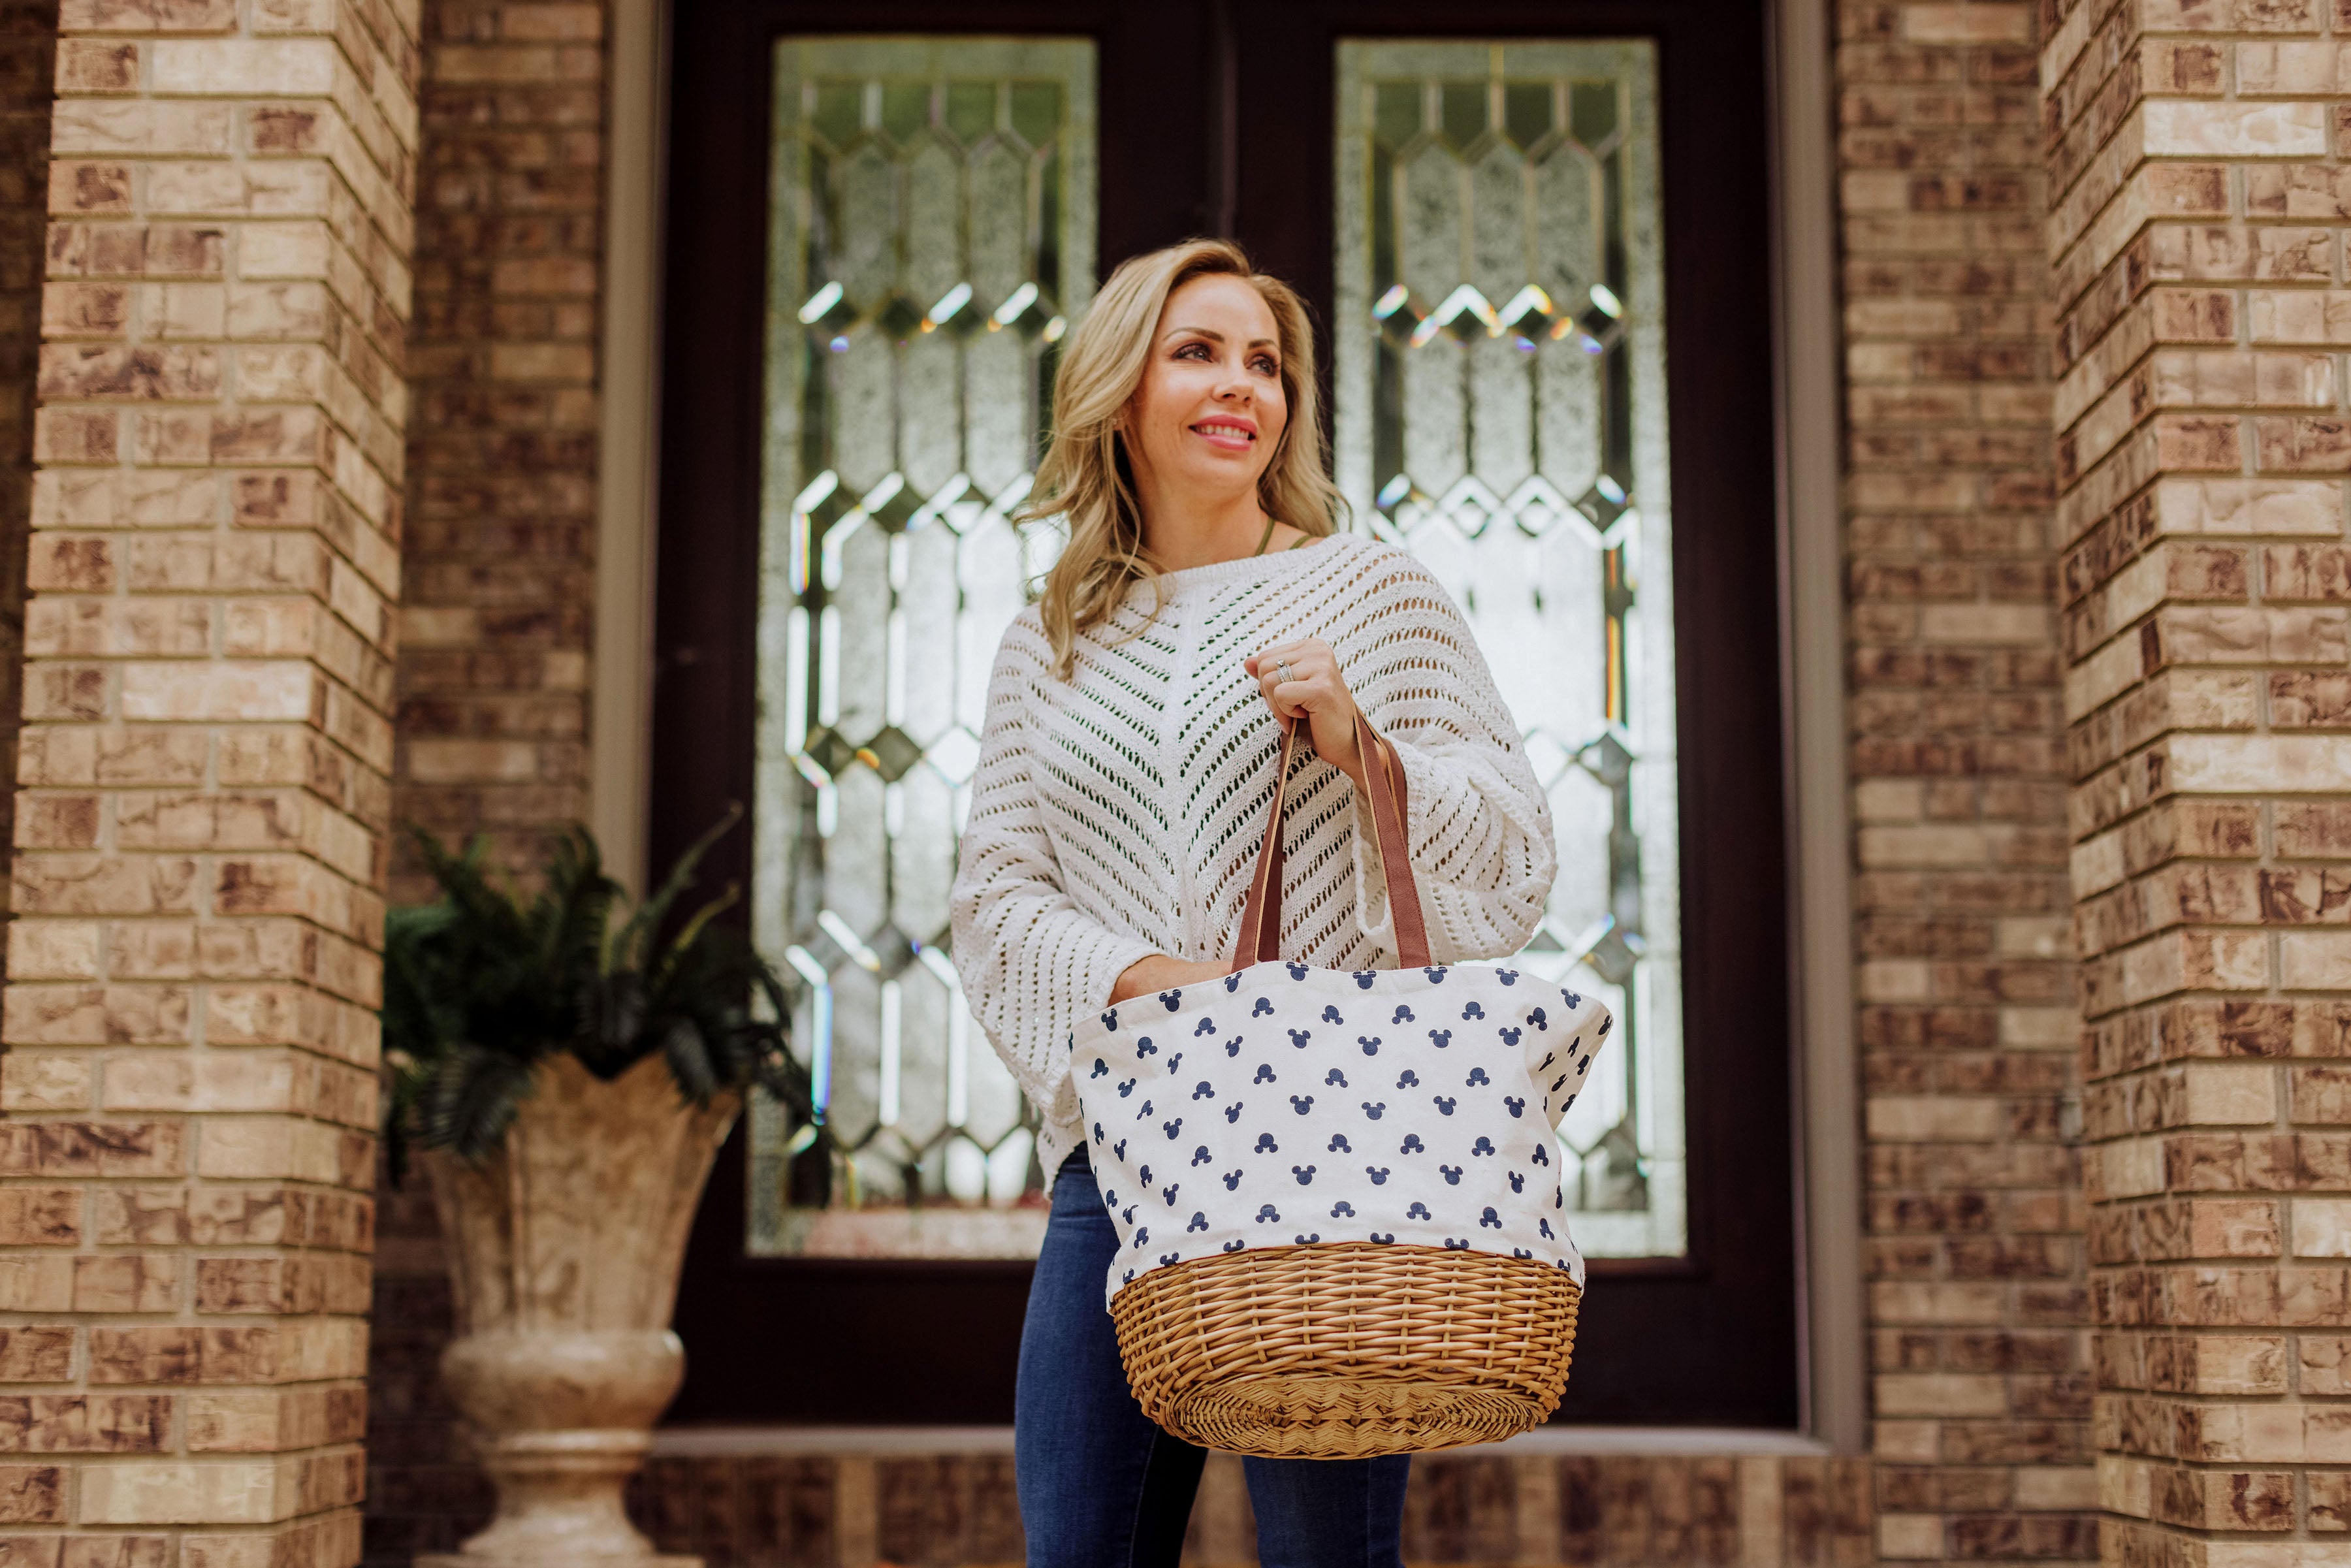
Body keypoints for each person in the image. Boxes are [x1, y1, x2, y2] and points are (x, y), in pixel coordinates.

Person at [947, 238, 1558, 1567]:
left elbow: (1514, 852)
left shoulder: (1374, 590)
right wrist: (1153, 982)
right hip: (1116, 1161)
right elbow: (994, 897)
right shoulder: (1047, 639)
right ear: (1120, 390)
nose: (1242, 388)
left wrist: (1365, 746)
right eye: (1199, 352)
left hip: (1331, 1155)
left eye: (1266, 362)